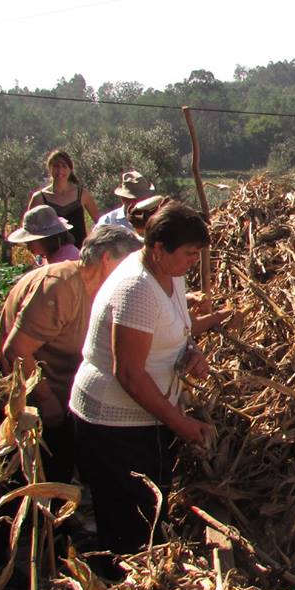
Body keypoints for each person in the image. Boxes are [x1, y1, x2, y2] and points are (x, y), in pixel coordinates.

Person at [0, 225, 143, 577]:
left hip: (60, 398)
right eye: (128, 262)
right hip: (24, 402)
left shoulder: (100, 290)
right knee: (12, 479)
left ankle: (50, 549)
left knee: (54, 477)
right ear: (107, 258)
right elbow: (16, 352)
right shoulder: (61, 288)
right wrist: (46, 399)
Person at [69, 203, 227, 570]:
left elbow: (176, 330)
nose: (193, 261)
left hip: (146, 420)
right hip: (114, 427)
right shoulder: (136, 289)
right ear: (158, 248)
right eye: (189, 254)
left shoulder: (170, 274)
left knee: (146, 517)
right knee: (127, 527)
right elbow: (128, 374)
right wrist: (182, 424)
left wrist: (191, 352)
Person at [29, 149, 99, 249]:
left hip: (80, 256)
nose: (60, 171)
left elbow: (100, 223)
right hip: (51, 256)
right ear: (49, 168)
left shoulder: (82, 194)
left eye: (64, 166)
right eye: (56, 166)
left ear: (70, 169)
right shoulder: (39, 198)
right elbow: (28, 230)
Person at [7, 205, 80, 264]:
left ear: (45, 239)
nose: (28, 247)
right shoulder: (52, 255)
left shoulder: (66, 260)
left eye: (31, 241)